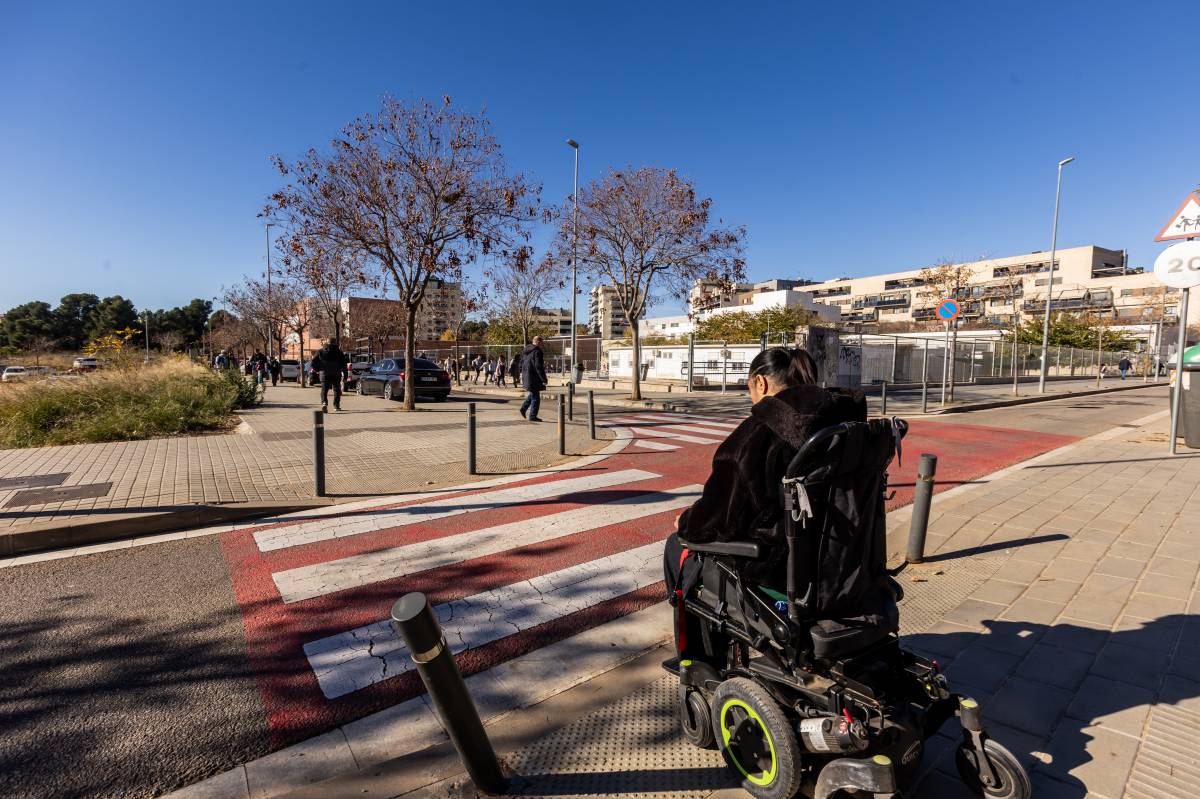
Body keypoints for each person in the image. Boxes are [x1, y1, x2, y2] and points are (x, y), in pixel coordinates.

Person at [662, 347, 867, 594]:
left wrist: (686, 520)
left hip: (779, 568)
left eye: (749, 389)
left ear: (760, 383)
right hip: (847, 561)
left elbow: (720, 517)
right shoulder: (845, 422)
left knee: (677, 546)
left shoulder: (757, 435)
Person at [311, 340, 348, 412]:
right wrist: (345, 376)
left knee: (324, 390)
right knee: (336, 390)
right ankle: (336, 406)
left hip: (324, 374)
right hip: (336, 373)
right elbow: (344, 364)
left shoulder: (320, 351)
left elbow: (313, 362)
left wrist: (318, 369)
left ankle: (324, 403)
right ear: (335, 343)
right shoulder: (339, 352)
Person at [519, 336, 547, 421]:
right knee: (536, 397)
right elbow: (538, 367)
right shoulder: (537, 351)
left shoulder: (526, 350)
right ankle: (532, 416)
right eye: (542, 342)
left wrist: (522, 375)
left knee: (533, 394)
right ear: (538, 342)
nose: (542, 344)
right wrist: (544, 379)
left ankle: (524, 408)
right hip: (534, 377)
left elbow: (521, 364)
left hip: (527, 376)